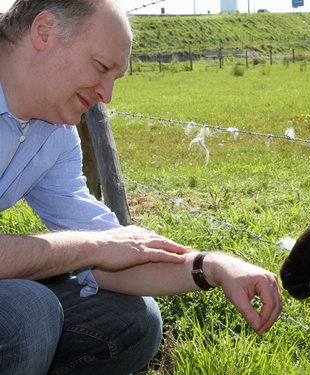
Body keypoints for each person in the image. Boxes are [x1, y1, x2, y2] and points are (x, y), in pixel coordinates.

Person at [0, 1, 283, 374]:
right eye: (101, 68)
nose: (106, 94)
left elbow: (114, 248)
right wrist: (91, 247)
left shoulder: (54, 134)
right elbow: (98, 246)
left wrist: (211, 266)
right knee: (27, 309)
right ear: (45, 32)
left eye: (114, 78)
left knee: (132, 321)